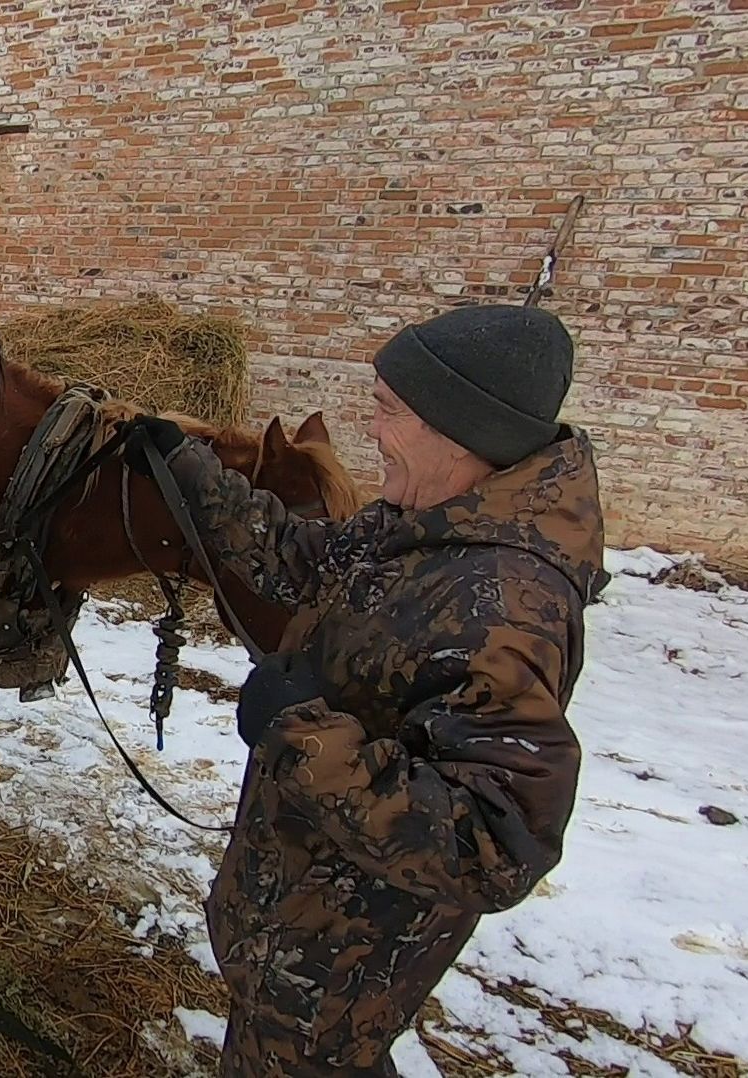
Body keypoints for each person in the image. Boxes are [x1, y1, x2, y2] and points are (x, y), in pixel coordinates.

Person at [126, 304, 611, 1076]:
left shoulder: (504, 602)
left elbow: (491, 844)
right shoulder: (427, 525)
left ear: (458, 430)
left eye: (388, 410)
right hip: (298, 923)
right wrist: (184, 466)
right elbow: (300, 555)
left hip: (338, 968)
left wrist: (302, 732)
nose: (373, 431)